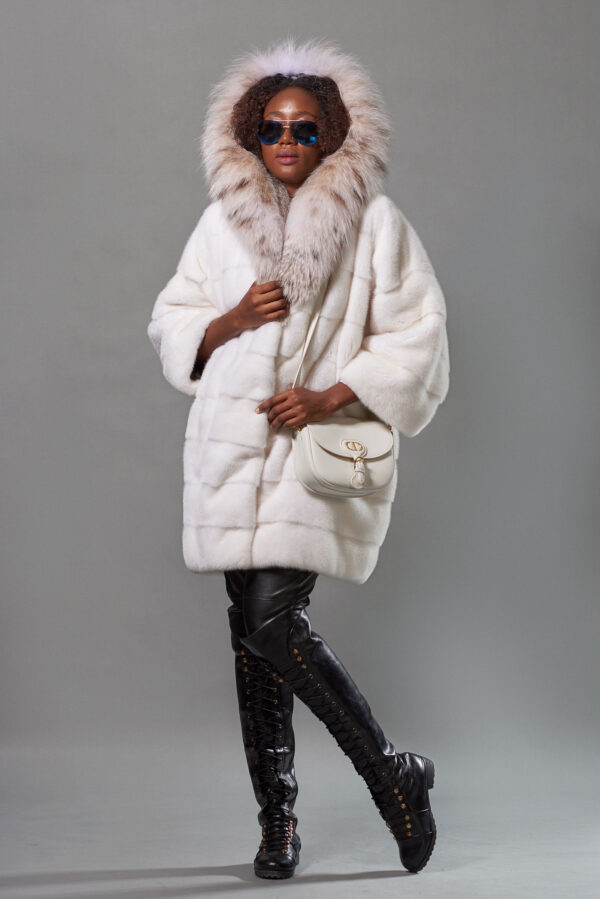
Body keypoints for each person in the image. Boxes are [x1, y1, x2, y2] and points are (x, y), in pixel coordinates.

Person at [147, 37, 450, 880]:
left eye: (305, 128)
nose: (287, 140)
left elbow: (420, 338)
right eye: (273, 127)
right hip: (229, 451)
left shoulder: (375, 225)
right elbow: (173, 317)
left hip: (311, 454)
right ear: (251, 131)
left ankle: (391, 774)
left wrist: (329, 395)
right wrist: (230, 321)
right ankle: (277, 819)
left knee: (272, 623)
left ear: (333, 135)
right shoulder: (220, 223)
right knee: (252, 642)